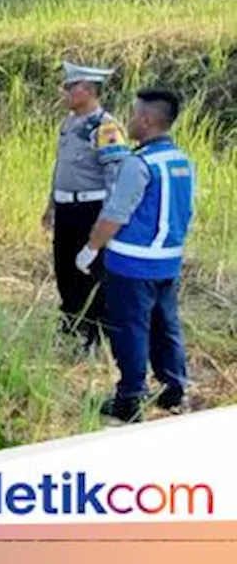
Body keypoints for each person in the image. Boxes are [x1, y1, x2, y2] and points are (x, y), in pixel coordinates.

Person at [76, 89, 196, 423]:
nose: (128, 121)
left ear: (146, 120)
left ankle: (129, 398)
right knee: (166, 325)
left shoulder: (138, 163)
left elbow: (115, 214)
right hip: (168, 261)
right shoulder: (182, 160)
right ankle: (174, 390)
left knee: (130, 329)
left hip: (132, 264)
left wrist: (90, 249)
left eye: (133, 114)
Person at [42, 61, 131, 356]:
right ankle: (71, 327)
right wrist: (51, 204)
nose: (65, 91)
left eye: (71, 86)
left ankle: (93, 337)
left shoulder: (105, 128)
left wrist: (104, 222)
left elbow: (116, 179)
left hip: (91, 210)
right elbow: (61, 169)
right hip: (67, 208)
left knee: (91, 273)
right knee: (65, 270)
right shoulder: (69, 124)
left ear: (90, 90)